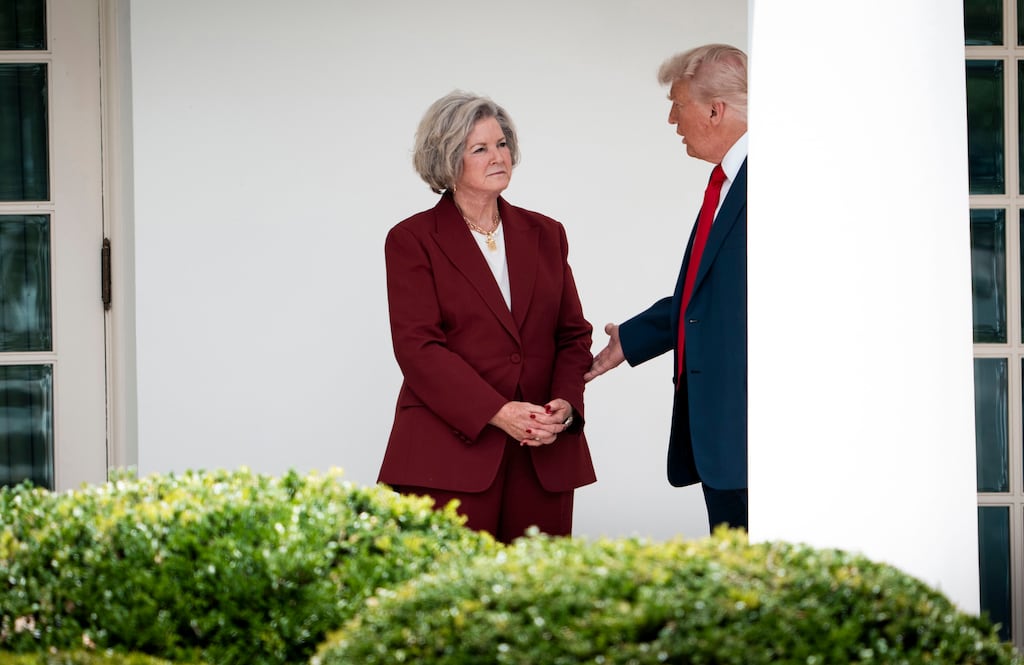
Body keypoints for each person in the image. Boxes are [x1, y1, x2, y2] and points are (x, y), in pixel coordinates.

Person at [378, 91, 596, 544]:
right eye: (480, 148)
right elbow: (418, 349)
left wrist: (566, 404)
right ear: (446, 159)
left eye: (502, 144)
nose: (499, 157)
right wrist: (497, 412)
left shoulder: (546, 233)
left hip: (542, 457)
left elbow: (572, 335)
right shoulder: (411, 239)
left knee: (535, 601)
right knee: (449, 604)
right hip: (449, 458)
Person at [585, 44, 749, 531]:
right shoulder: (728, 183)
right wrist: (632, 339)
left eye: (677, 104)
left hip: (753, 433)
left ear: (714, 110)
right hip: (723, 438)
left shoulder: (777, 182)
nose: (673, 120)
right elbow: (708, 293)